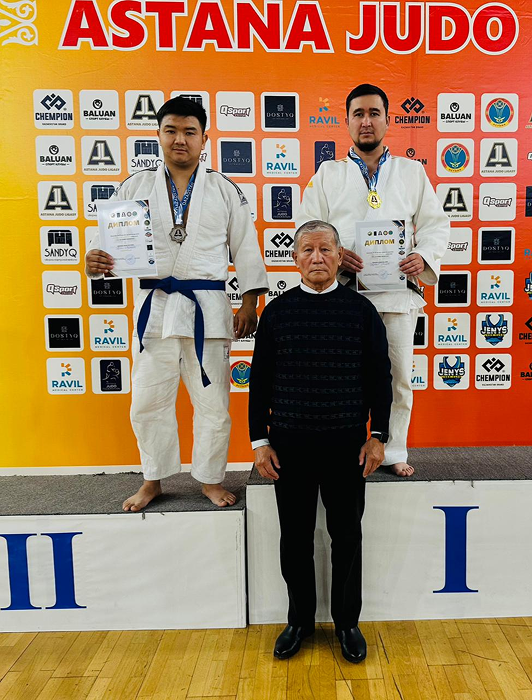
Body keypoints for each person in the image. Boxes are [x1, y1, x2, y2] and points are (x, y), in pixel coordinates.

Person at [86, 96, 268, 511]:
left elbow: (246, 249)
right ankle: (152, 479)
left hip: (208, 309)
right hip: (155, 309)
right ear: (158, 135)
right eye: (171, 130)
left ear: (205, 138)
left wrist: (249, 303)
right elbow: (105, 244)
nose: (180, 139)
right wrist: (94, 258)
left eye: (189, 131)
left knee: (213, 404)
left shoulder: (224, 190)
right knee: (147, 401)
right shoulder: (134, 187)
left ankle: (209, 479)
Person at [249, 220, 392, 663]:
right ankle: (299, 621)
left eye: (326, 249)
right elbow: (259, 382)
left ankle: (348, 623)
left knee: (346, 536)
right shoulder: (276, 312)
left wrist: (378, 436)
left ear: (339, 256)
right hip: (288, 447)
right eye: (308, 250)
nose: (317, 257)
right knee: (294, 538)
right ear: (294, 259)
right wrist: (259, 441)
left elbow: (381, 378)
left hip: (347, 446)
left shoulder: (361, 311)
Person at [297, 83, 450, 477]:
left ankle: (394, 449)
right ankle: (347, 445)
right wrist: (334, 254)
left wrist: (423, 255)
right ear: (347, 121)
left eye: (374, 113)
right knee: (343, 379)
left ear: (387, 119)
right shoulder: (328, 173)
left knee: (398, 376)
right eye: (358, 114)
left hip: (396, 294)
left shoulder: (412, 172)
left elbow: (436, 225)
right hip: (344, 294)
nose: (366, 121)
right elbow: (308, 227)